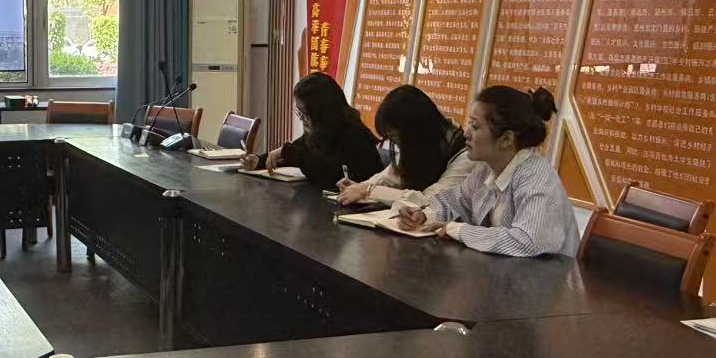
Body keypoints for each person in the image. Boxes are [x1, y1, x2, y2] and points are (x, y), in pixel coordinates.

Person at [394, 86, 579, 257]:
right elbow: (455, 201)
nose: (466, 133)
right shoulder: (486, 168)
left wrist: (458, 230)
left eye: (475, 126)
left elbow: (529, 241)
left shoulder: (536, 177)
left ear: (506, 139)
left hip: (543, 279)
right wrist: (423, 215)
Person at [239, 71, 381, 188]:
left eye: (304, 113)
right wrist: (260, 161)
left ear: (321, 113)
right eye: (299, 112)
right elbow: (298, 151)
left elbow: (327, 176)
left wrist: (289, 152)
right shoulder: (320, 130)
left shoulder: (354, 135)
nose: (302, 119)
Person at [335, 84, 471, 206]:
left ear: (413, 133)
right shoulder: (422, 146)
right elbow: (387, 178)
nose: (397, 145)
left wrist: (369, 190)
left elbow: (430, 200)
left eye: (395, 138)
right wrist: (358, 187)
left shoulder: (466, 156)